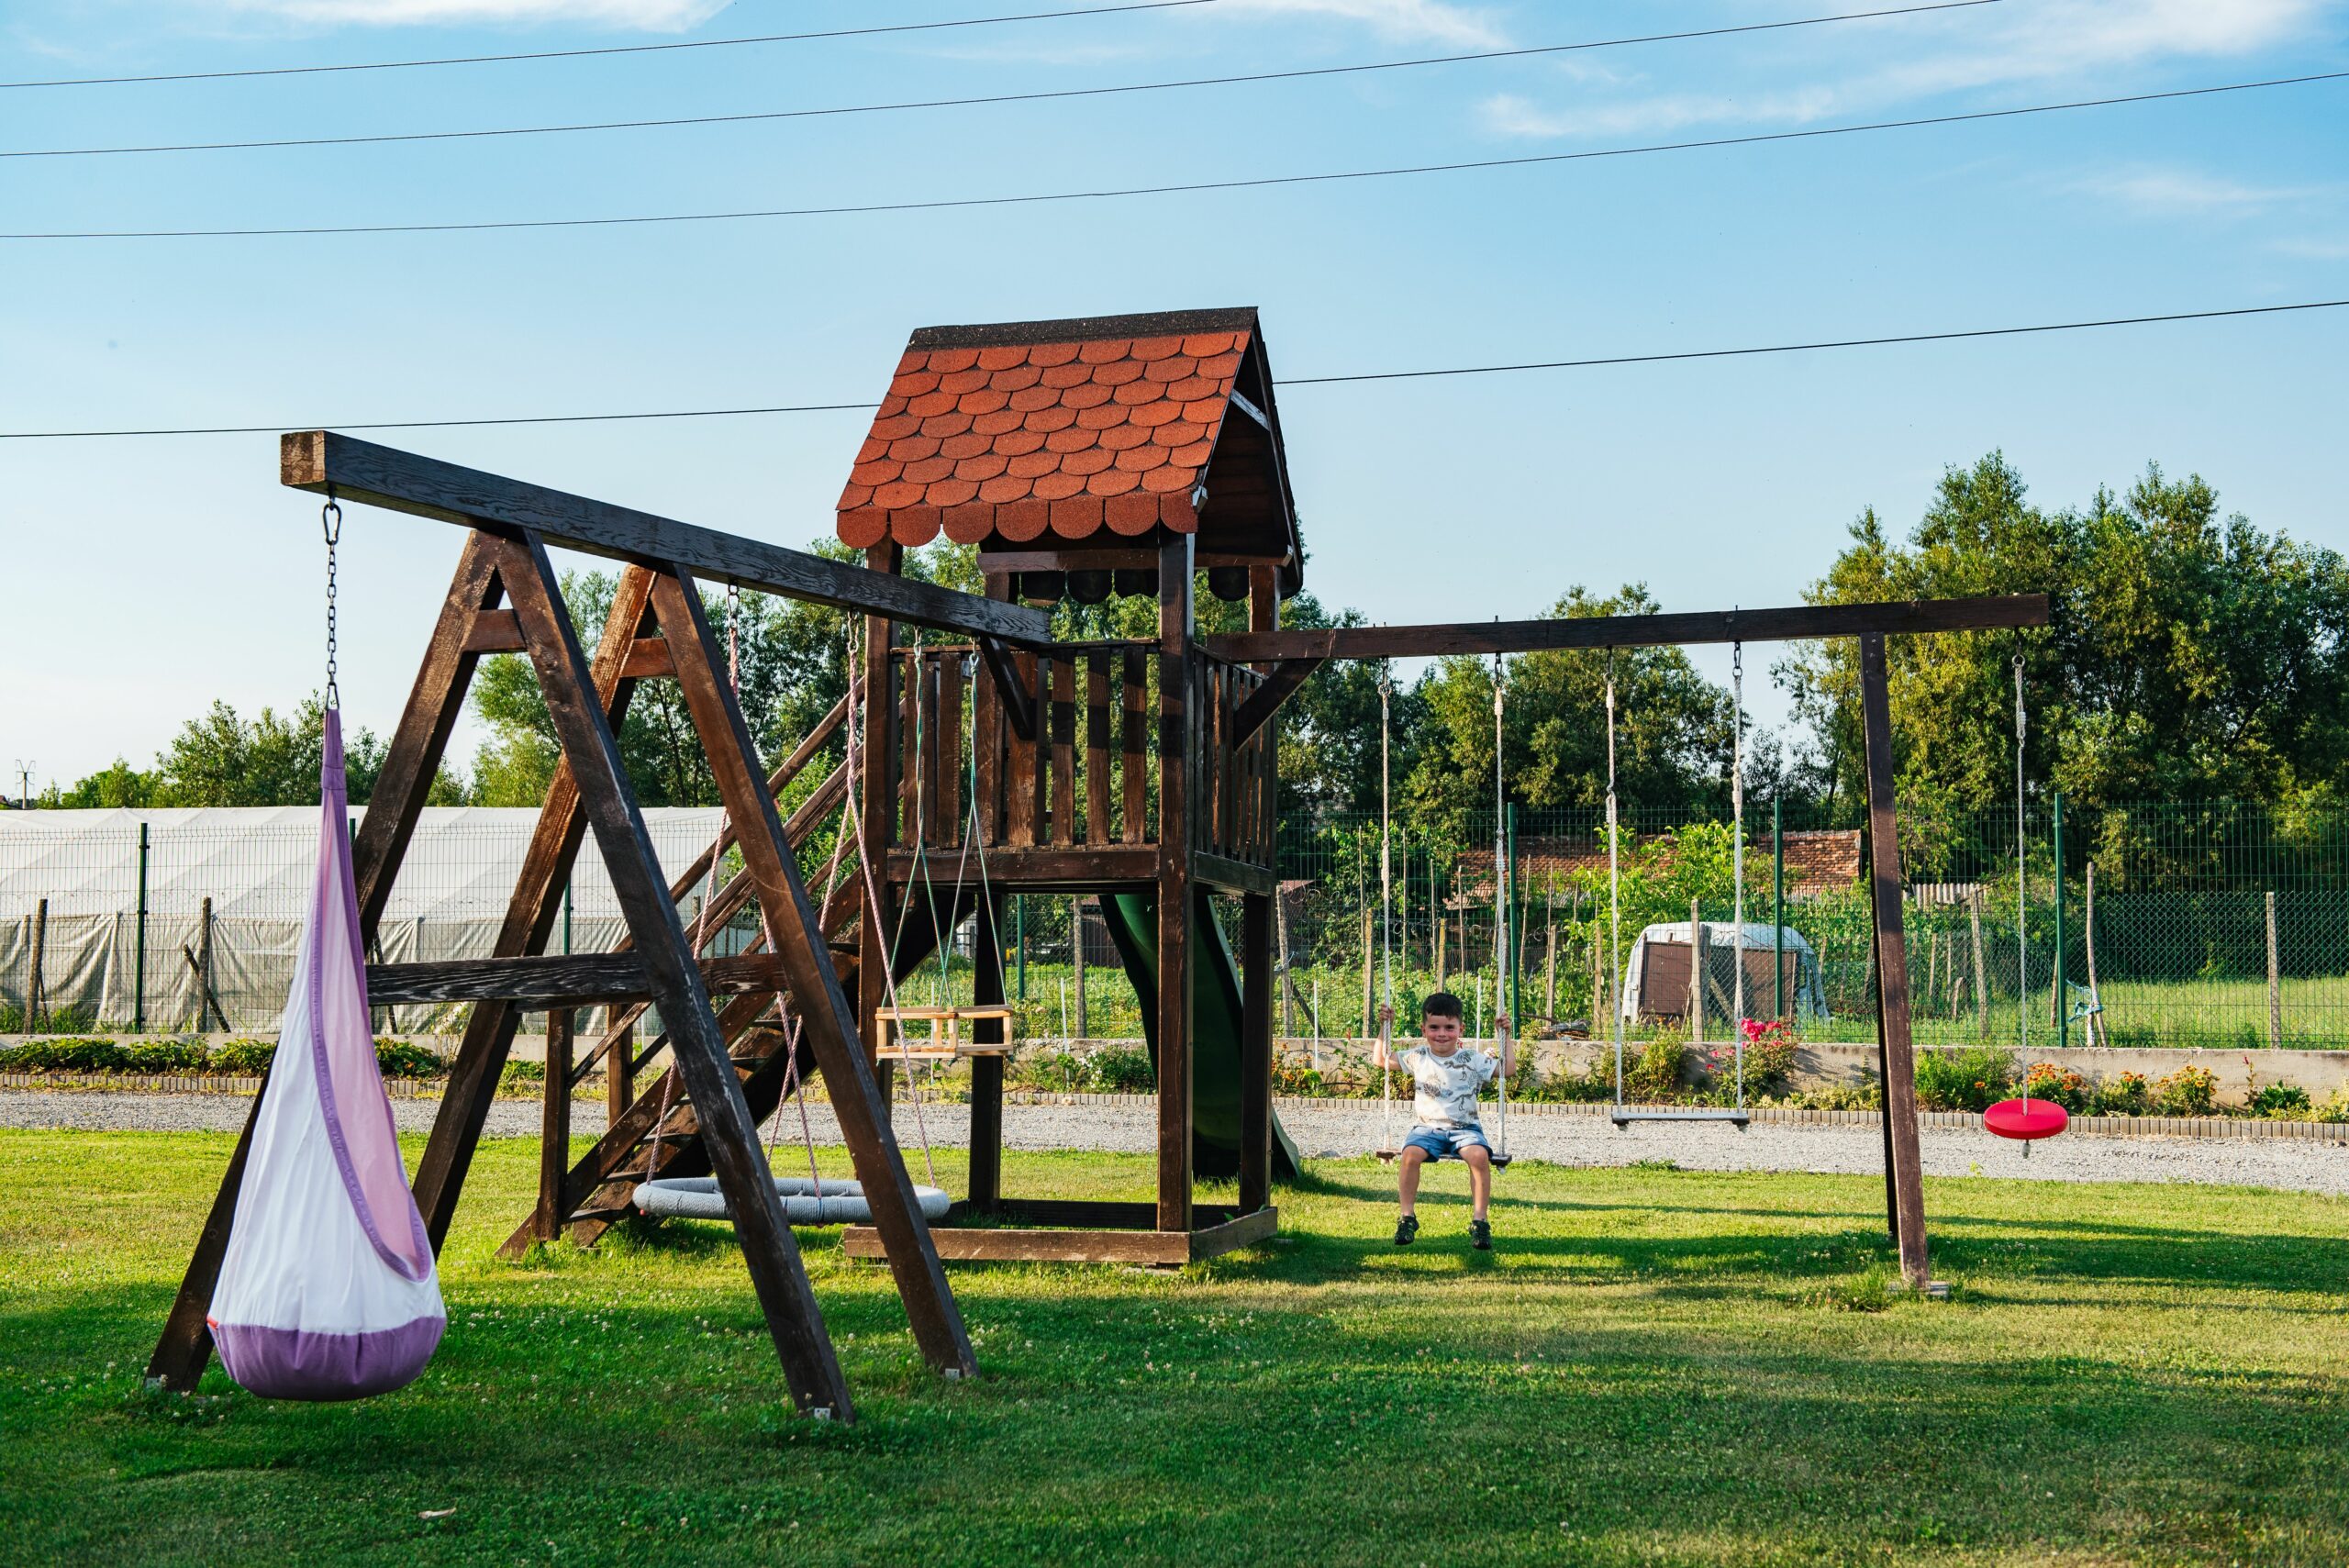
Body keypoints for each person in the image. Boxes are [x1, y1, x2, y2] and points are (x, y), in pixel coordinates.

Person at [1373, 991, 1512, 1250]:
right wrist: (1385, 1026)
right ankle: (1407, 1217)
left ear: (1461, 1028)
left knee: (1479, 1157)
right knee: (1409, 1155)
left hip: (1465, 1129)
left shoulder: (1472, 1059)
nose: (1442, 1034)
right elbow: (1380, 1060)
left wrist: (1506, 1035)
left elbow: (1507, 1069)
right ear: (1424, 1029)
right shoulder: (1418, 1057)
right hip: (1427, 1128)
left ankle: (1480, 1222)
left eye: (1449, 1027)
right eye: (1434, 1027)